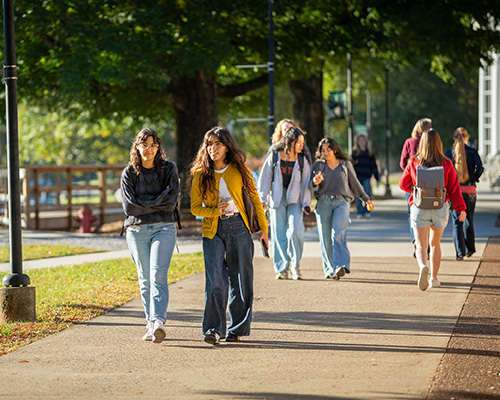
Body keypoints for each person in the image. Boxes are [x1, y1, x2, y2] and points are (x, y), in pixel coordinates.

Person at [189, 126, 268, 345]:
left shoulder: (239, 169)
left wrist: (264, 230)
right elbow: (195, 208)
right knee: (215, 280)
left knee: (241, 279)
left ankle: (237, 328)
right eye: (209, 144)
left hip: (239, 227)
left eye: (217, 144)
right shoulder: (199, 174)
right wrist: (215, 211)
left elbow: (254, 197)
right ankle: (213, 329)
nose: (212, 148)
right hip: (213, 230)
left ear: (226, 146)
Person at [120, 128, 179, 343]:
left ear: (158, 147)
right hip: (136, 231)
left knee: (157, 275)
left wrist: (146, 204)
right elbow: (129, 207)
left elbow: (171, 201)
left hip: (164, 227)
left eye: (153, 145)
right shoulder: (129, 173)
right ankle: (149, 322)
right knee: (145, 279)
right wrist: (157, 202)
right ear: (137, 146)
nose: (149, 150)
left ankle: (158, 322)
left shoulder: (169, 169)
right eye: (145, 145)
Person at [399, 129, 466, 291]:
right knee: (435, 243)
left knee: (421, 245)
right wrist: (460, 208)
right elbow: (454, 188)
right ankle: (434, 279)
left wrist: (415, 190)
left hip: (419, 207)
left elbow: (402, 184)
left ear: (422, 143)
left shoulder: (414, 162)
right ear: (438, 143)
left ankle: (423, 266)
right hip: (440, 207)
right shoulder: (447, 163)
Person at [311, 138, 374, 280]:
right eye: (323, 150)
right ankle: (330, 270)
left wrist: (365, 199)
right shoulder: (318, 165)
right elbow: (310, 187)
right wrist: (314, 182)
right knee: (326, 237)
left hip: (342, 202)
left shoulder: (345, 165)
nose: (325, 153)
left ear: (335, 150)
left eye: (328, 150)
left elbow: (354, 183)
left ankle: (341, 265)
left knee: (338, 233)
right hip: (323, 202)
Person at [258, 127, 312, 280]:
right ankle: (282, 268)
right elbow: (266, 179)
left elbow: (305, 183)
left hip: (295, 199)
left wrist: (307, 203)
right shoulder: (274, 156)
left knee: (295, 231)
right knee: (279, 233)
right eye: (298, 142)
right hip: (277, 198)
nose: (301, 146)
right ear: (290, 142)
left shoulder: (302, 160)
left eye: (302, 142)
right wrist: (262, 198)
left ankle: (295, 266)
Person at [445, 127, 483, 261]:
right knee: (469, 220)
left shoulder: (449, 153)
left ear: (454, 138)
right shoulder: (472, 152)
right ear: (467, 137)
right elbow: (480, 168)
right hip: (470, 190)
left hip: (455, 191)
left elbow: (444, 170)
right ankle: (470, 249)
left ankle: (459, 252)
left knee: (457, 222)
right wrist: (474, 178)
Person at [400, 118, 433, 256]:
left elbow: (403, 163)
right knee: (431, 213)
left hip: (413, 183)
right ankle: (427, 242)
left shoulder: (410, 142)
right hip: (430, 183)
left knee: (412, 214)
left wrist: (410, 172)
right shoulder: (432, 142)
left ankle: (416, 240)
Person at [351, 133, 380, 219]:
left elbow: (373, 166)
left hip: (367, 176)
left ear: (366, 142)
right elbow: (350, 165)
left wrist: (377, 177)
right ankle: (360, 212)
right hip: (357, 177)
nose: (362, 142)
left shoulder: (369, 153)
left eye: (364, 141)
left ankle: (367, 210)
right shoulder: (355, 153)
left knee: (367, 194)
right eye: (360, 141)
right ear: (357, 142)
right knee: (358, 195)